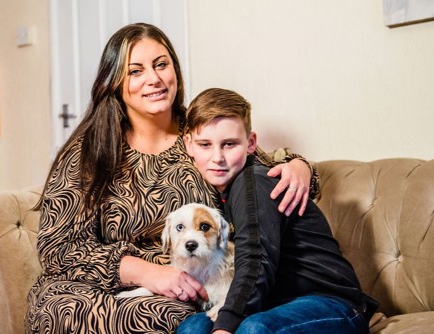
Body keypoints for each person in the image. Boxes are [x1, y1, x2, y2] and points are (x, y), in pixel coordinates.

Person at [25, 23, 319, 333]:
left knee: (171, 315)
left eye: (161, 64)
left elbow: (263, 167)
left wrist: (299, 166)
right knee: (57, 306)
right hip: (102, 280)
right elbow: (57, 248)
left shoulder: (200, 135)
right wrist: (143, 272)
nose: (154, 79)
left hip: (189, 283)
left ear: (174, 69)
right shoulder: (90, 151)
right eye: (135, 71)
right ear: (115, 82)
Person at [179, 88, 379, 334]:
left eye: (229, 144)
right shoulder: (221, 195)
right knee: (193, 327)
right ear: (189, 144)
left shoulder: (253, 183)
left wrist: (225, 327)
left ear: (251, 143)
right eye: (205, 144)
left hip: (332, 303)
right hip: (274, 305)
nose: (217, 157)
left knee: (254, 328)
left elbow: (256, 259)